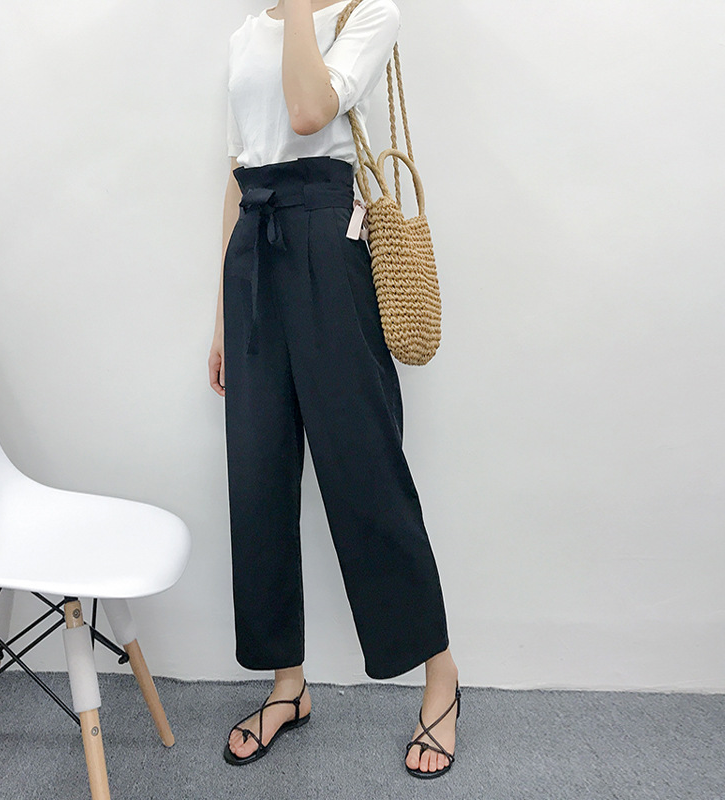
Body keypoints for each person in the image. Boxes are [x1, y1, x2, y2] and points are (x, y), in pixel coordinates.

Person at [208, 0, 461, 778]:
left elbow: (310, 112)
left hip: (328, 243)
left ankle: (441, 677)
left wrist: (298, 14)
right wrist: (221, 317)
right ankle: (288, 685)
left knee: (364, 467)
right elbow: (237, 172)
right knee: (258, 474)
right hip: (254, 256)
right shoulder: (245, 34)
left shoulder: (368, 12)